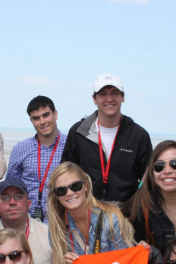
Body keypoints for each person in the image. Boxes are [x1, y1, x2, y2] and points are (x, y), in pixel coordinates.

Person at [61, 74, 153, 203]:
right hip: (86, 212)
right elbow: (66, 175)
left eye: (114, 93)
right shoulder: (78, 133)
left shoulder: (138, 135)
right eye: (103, 94)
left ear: (123, 97)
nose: (109, 99)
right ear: (94, 99)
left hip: (126, 216)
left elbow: (149, 180)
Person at [6, 95, 67, 222]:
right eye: (36, 118)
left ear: (55, 114)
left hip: (62, 221)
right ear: (31, 121)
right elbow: (11, 187)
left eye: (46, 115)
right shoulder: (20, 149)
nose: (42, 122)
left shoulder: (71, 145)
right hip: (27, 221)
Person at [0, 177, 53, 264]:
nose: (12, 202)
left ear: (29, 204)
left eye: (18, 197)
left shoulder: (48, 234)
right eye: (5, 198)